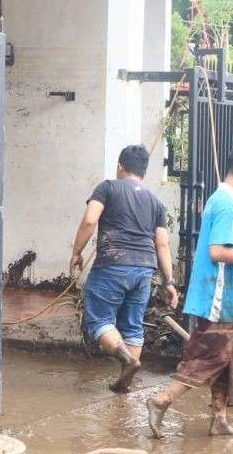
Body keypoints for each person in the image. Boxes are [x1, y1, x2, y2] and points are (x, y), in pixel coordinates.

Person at [146, 146, 233, 438]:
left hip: (225, 300)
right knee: (211, 358)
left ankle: (219, 419)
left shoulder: (223, 200)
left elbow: (226, 248)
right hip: (216, 300)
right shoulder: (226, 204)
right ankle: (161, 400)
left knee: (228, 359)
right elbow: (217, 251)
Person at [72, 145, 179, 393]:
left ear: (121, 166)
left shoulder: (108, 187)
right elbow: (162, 243)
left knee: (98, 320)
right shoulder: (155, 202)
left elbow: (90, 219)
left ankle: (128, 360)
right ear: (144, 172)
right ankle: (124, 383)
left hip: (112, 263)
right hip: (144, 269)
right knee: (132, 325)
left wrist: (77, 251)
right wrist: (169, 282)